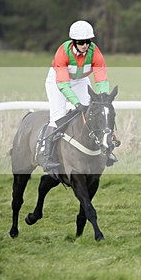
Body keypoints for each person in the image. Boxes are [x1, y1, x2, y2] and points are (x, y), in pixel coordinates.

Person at [37, 20, 111, 172]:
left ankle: (102, 150)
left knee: (93, 112)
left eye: (88, 41)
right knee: (58, 116)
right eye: (81, 42)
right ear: (74, 41)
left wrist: (103, 96)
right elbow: (63, 84)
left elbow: (101, 77)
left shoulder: (94, 52)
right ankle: (47, 155)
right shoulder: (63, 52)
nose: (85, 45)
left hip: (80, 80)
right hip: (58, 81)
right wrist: (76, 103)